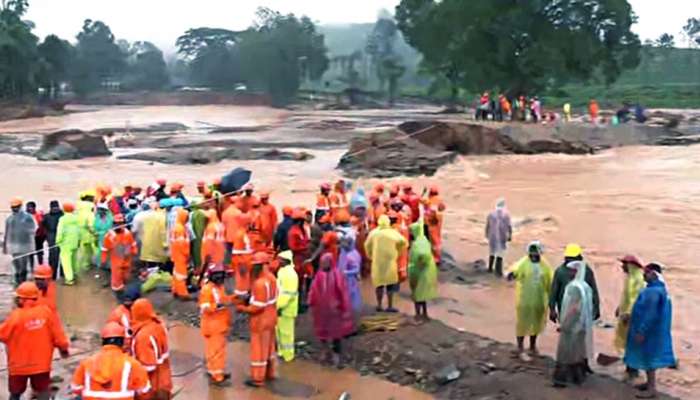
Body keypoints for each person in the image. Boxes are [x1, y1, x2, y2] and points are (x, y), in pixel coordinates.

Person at [0, 282, 69, 400]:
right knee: (42, 391)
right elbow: (58, 335)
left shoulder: (15, 316)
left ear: (22, 299)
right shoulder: (46, 313)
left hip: (18, 367)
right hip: (41, 365)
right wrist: (64, 349)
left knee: (15, 393)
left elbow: (2, 335)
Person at [624, 263, 676, 399]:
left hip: (650, 332)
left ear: (653, 274)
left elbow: (650, 314)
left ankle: (652, 389)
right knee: (648, 358)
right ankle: (649, 383)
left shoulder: (653, 292)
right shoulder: (659, 290)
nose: (643, 275)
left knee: (649, 359)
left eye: (646, 273)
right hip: (654, 330)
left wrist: (642, 331)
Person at [71, 322, 151, 399]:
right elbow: (144, 391)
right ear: (122, 341)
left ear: (103, 341)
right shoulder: (132, 364)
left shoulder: (87, 362)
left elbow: (76, 388)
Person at [236, 253, 278, 388]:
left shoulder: (260, 284)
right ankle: (269, 373)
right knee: (269, 347)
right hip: (272, 316)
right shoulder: (272, 278)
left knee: (258, 350)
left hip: (261, 321)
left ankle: (257, 378)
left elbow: (257, 308)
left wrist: (242, 308)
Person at [552, 261, 594, 388]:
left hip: (572, 326)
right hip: (582, 326)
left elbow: (574, 308)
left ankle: (561, 380)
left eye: (571, 271)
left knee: (565, 353)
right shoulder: (585, 287)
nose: (569, 273)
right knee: (578, 353)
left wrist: (564, 324)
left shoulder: (574, 287)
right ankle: (578, 378)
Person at [507, 241, 553, 355]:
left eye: (535, 254)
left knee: (536, 324)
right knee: (522, 323)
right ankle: (520, 347)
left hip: (539, 300)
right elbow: (514, 271)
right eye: (531, 254)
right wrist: (511, 274)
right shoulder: (523, 263)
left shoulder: (545, 267)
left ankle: (532, 346)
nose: (533, 256)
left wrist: (553, 301)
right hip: (524, 299)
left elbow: (550, 284)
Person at [308, 253, 353, 367]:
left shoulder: (337, 275)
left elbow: (343, 293)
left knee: (336, 333)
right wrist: (311, 302)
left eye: (325, 263)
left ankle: (336, 355)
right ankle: (325, 350)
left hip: (335, 311)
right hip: (321, 311)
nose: (323, 265)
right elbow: (313, 290)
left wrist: (345, 308)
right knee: (322, 331)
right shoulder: (319, 275)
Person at [199, 264, 234, 385]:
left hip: (219, 324)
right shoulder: (207, 289)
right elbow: (205, 307)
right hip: (213, 326)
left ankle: (214, 371)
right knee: (216, 352)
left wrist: (236, 298)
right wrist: (217, 306)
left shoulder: (219, 288)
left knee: (215, 350)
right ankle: (217, 377)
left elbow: (224, 299)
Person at [131, 298, 173, 399]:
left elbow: (148, 366)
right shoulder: (159, 325)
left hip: (153, 387)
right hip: (164, 381)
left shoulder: (143, 336)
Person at [365, 215, 407, 312]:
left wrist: (370, 256)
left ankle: (379, 305)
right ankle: (390, 305)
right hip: (390, 263)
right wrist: (398, 252)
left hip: (377, 263)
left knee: (379, 285)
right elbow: (403, 242)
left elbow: (367, 245)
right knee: (390, 285)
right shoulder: (393, 233)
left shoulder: (373, 233)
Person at [614, 255, 645, 370]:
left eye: (624, 265)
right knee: (627, 340)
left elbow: (635, 298)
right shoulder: (630, 277)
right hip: (626, 313)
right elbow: (626, 297)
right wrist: (620, 308)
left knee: (632, 341)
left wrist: (628, 313)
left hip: (632, 316)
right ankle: (629, 365)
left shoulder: (637, 279)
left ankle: (632, 368)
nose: (622, 267)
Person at [408, 220, 439, 322]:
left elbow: (421, 255)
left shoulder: (417, 243)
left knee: (417, 294)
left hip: (419, 270)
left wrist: (416, 265)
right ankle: (425, 314)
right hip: (428, 270)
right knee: (423, 293)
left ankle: (418, 315)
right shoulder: (424, 240)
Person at [102, 214, 138, 299]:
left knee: (126, 276)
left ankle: (125, 290)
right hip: (116, 259)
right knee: (116, 278)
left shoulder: (127, 233)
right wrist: (103, 260)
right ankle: (118, 294)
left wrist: (134, 251)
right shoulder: (109, 236)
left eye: (120, 223)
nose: (119, 225)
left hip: (127, 258)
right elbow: (105, 249)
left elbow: (133, 244)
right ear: (113, 224)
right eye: (117, 223)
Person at [3, 198, 37, 286]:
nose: (14, 209)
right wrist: (4, 246)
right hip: (13, 246)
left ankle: (23, 282)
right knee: (16, 266)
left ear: (20, 206)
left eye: (16, 207)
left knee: (23, 266)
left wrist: (26, 231)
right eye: (13, 207)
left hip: (25, 246)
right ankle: (18, 283)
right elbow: (6, 232)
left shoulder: (28, 217)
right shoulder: (9, 219)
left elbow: (34, 229)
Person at [275, 251, 298, 362]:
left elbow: (287, 295)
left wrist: (277, 307)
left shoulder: (290, 275)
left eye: (280, 259)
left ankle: (288, 355)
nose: (278, 261)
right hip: (282, 308)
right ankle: (281, 352)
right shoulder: (283, 271)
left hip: (286, 309)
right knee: (280, 332)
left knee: (287, 334)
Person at [288, 208, 311, 309]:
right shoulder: (293, 232)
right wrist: (305, 247)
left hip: (303, 260)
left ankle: (300, 303)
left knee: (302, 282)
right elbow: (293, 247)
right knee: (297, 284)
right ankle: (296, 305)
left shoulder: (302, 230)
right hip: (297, 260)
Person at [337, 231, 362, 323]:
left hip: (350, 281)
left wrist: (345, 273)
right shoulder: (344, 252)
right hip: (342, 280)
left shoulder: (353, 255)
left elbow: (356, 270)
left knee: (350, 301)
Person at [108, 285, 141, 353]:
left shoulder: (139, 310)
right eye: (126, 301)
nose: (128, 303)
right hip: (124, 349)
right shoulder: (118, 314)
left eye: (129, 301)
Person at [485, 198, 512, 276]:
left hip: (492, 236)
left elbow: (487, 226)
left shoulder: (491, 214)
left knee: (492, 252)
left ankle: (490, 269)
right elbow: (509, 226)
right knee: (500, 253)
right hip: (502, 236)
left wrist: (486, 234)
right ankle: (498, 271)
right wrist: (510, 235)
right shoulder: (506, 215)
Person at [139, 202, 168, 270]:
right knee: (160, 270)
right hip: (158, 248)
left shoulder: (146, 217)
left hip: (147, 247)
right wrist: (165, 244)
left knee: (151, 268)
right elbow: (163, 232)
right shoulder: (163, 217)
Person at [56, 202, 80, 285]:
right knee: (74, 259)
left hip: (65, 243)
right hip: (75, 242)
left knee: (66, 261)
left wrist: (58, 241)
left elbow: (60, 231)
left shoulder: (63, 219)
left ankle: (69, 279)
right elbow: (79, 230)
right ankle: (74, 273)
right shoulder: (76, 218)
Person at [170, 208, 192, 300]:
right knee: (181, 274)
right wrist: (187, 254)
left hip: (176, 253)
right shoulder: (180, 229)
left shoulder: (177, 227)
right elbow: (182, 244)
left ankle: (175, 289)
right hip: (180, 255)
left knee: (176, 273)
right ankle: (182, 293)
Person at [423, 185, 446, 263]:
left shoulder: (428, 200)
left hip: (431, 221)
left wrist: (423, 192)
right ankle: (437, 256)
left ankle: (435, 257)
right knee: (437, 238)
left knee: (433, 239)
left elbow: (420, 201)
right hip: (438, 220)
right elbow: (443, 208)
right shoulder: (440, 200)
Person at [41, 200, 63, 278]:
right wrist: (46, 236)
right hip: (51, 237)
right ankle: (52, 275)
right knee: (53, 258)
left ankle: (62, 275)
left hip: (62, 238)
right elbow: (42, 226)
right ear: (50, 208)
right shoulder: (46, 216)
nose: (55, 209)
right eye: (53, 207)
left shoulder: (63, 215)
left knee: (63, 258)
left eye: (56, 207)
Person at [76, 191, 96, 273]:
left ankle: (78, 267)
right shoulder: (89, 210)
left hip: (77, 233)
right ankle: (86, 266)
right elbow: (90, 224)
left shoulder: (78, 208)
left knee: (79, 251)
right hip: (87, 234)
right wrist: (95, 233)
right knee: (88, 252)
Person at [26, 201, 46, 273]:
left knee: (40, 253)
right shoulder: (25, 216)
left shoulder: (39, 216)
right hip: (29, 238)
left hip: (39, 237)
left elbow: (43, 226)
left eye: (30, 207)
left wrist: (44, 237)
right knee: (30, 254)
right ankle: (31, 269)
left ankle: (41, 267)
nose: (28, 209)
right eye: (27, 207)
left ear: (34, 208)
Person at [94, 204, 114, 268]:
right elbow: (95, 227)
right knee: (101, 251)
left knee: (109, 251)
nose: (100, 211)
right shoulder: (97, 217)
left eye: (101, 210)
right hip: (100, 238)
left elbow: (110, 227)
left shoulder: (110, 217)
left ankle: (108, 264)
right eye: (99, 209)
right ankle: (101, 263)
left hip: (108, 237)